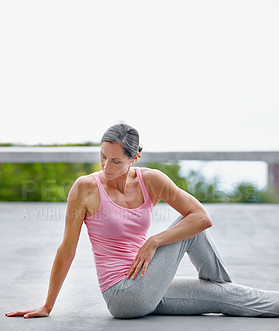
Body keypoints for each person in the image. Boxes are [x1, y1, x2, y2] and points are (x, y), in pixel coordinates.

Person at [5, 123, 279, 319]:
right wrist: (47, 305)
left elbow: (202, 218)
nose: (105, 167)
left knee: (219, 293)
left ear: (134, 157)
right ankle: (224, 287)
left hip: (149, 283)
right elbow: (67, 249)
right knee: (194, 239)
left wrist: (153, 242)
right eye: (102, 157)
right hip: (123, 295)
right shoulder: (85, 188)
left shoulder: (151, 180)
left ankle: (224, 289)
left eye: (115, 161)